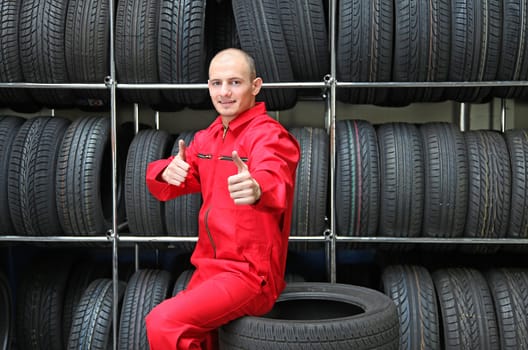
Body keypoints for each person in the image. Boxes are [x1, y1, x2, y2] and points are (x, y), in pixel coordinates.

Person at [144, 48, 300, 349]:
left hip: (250, 275)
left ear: (255, 86)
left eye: (235, 83)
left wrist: (257, 188)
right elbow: (170, 184)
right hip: (208, 269)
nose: (224, 92)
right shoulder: (209, 137)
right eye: (217, 83)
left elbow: (275, 175)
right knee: (200, 340)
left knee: (164, 323)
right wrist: (166, 171)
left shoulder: (269, 135)